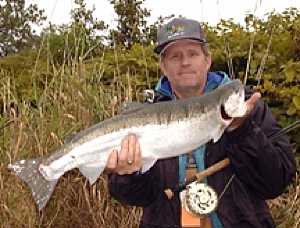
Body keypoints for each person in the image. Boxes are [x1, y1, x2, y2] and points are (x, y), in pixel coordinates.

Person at [106, 18, 296, 228]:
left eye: (193, 54)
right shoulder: (144, 116)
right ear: (163, 66)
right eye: (175, 56)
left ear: (208, 60)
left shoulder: (248, 106)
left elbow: (276, 183)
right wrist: (128, 175)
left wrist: (242, 130)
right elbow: (133, 197)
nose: (185, 62)